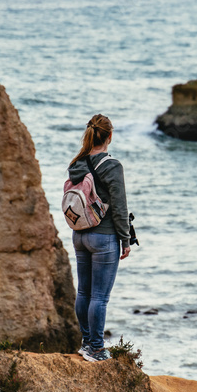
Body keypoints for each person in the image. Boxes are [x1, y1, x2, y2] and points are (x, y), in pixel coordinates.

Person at [67, 114, 131, 362]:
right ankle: (96, 348)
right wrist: (125, 240)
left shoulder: (77, 163)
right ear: (110, 136)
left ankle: (86, 343)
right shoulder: (112, 166)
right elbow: (120, 206)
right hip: (103, 239)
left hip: (79, 235)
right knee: (99, 298)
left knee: (83, 293)